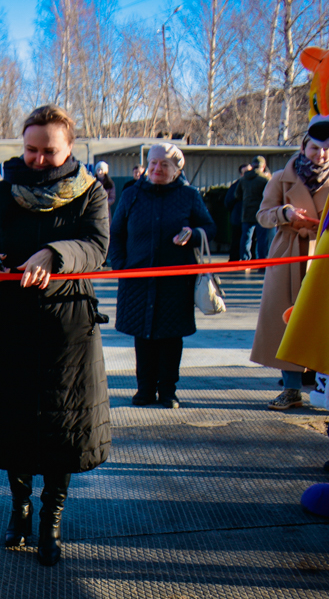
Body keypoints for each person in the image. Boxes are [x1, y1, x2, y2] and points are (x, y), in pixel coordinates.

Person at [0, 105, 111, 567]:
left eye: (49, 151)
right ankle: (20, 505)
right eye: (31, 149)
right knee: (15, 420)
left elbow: (97, 246)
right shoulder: (3, 191)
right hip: (12, 320)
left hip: (67, 325)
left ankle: (52, 517)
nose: (38, 159)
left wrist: (55, 253)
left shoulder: (90, 192)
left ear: (69, 147)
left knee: (62, 425)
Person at [111, 144, 217, 409]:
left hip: (175, 282)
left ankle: (168, 391)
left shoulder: (189, 196)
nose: (158, 169)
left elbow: (209, 227)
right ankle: (145, 389)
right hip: (138, 280)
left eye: (165, 165)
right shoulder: (131, 195)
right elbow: (117, 233)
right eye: (154, 163)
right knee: (143, 337)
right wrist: (121, 266)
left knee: (171, 338)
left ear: (177, 170)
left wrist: (193, 234)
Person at [251, 133, 329, 410]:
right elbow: (262, 215)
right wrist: (284, 214)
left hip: (324, 256)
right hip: (288, 254)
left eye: (328, 149)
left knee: (323, 321)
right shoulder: (279, 178)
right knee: (284, 321)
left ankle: (323, 387)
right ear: (303, 148)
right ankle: (291, 388)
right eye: (315, 148)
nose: (321, 155)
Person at [232, 156, 271, 262]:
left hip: (246, 213)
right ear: (263, 166)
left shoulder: (243, 179)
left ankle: (244, 260)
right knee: (262, 239)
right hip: (261, 213)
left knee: (246, 238)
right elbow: (271, 195)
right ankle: (261, 261)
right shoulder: (265, 179)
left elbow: (237, 195)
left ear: (252, 166)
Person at [225, 165, 252, 261]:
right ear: (241, 174)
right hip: (238, 218)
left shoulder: (255, 184)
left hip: (250, 218)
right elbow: (228, 201)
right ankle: (234, 261)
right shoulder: (236, 186)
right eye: (246, 172)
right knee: (237, 240)